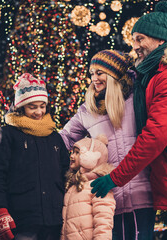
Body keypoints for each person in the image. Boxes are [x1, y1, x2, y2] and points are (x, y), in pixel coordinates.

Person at [91, 1, 167, 240]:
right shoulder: (151, 76)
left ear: (159, 40)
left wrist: (115, 177)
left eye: (140, 39)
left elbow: (155, 136)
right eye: (133, 39)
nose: (134, 46)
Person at [59, 50, 156, 239]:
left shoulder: (137, 97)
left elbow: (166, 113)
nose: (94, 78)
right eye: (91, 74)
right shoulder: (88, 110)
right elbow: (64, 138)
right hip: (108, 195)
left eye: (99, 72)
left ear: (113, 74)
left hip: (141, 192)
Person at [0, 73, 70, 240]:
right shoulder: (7, 135)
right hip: (21, 221)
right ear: (21, 106)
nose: (39, 112)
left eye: (42, 106)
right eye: (33, 107)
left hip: (54, 221)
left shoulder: (54, 137)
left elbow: (66, 173)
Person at [61, 135, 115, 239]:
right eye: (72, 152)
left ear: (91, 156)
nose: (72, 156)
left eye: (77, 153)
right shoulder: (72, 184)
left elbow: (103, 220)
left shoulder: (98, 184)